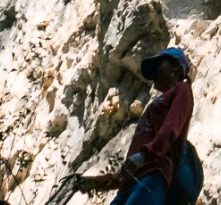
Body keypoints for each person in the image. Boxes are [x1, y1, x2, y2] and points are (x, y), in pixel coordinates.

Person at [78, 47, 198, 205]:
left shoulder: (183, 89)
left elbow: (171, 128)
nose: (154, 73)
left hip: (153, 178)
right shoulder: (159, 102)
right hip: (130, 185)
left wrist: (144, 155)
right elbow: (130, 168)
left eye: (159, 65)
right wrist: (100, 182)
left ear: (175, 66)